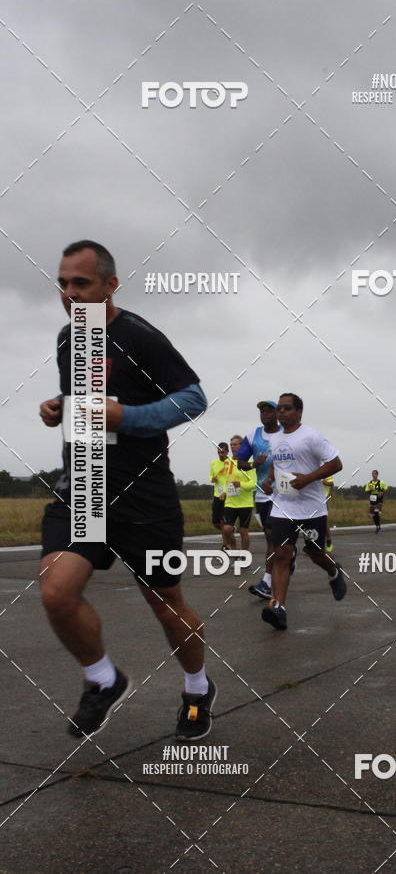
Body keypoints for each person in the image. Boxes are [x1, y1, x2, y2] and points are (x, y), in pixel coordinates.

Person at [38, 240, 215, 740]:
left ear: (111, 285)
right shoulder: (68, 340)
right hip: (86, 484)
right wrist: (57, 406)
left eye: (81, 283)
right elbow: (86, 399)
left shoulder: (140, 337)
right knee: (56, 591)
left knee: (165, 603)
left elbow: (192, 398)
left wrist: (131, 418)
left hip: (143, 494)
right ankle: (103, 679)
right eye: (63, 283)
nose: (69, 294)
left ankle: (197, 689)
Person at [260, 393, 345, 631]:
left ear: (299, 412)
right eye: (280, 409)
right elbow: (276, 465)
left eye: (287, 409)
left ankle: (333, 570)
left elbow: (336, 464)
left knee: (316, 554)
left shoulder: (311, 436)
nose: (282, 412)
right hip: (283, 506)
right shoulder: (275, 439)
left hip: (311, 509)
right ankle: (278, 607)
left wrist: (308, 479)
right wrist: (268, 481)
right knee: (281, 554)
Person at [236, 401, 282, 600]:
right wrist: (255, 463)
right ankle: (288, 557)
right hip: (263, 494)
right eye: (262, 411)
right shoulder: (252, 436)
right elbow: (240, 464)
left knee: (273, 536)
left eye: (269, 410)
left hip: (284, 494)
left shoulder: (287, 433)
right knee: (271, 538)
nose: (264, 413)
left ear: (277, 413)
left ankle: (267, 582)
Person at [221, 435, 257, 551]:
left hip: (245, 503)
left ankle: (245, 556)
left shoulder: (249, 463)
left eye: (235, 444)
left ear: (242, 447)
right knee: (226, 529)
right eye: (231, 445)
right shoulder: (228, 462)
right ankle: (235, 550)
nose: (232, 447)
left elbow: (253, 484)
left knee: (243, 531)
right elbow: (227, 481)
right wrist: (224, 492)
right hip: (230, 502)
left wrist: (240, 484)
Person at [209, 442, 229, 547]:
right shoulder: (213, 463)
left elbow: (231, 479)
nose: (221, 454)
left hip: (227, 495)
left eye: (223, 452)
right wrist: (213, 479)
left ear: (227, 452)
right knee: (216, 522)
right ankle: (229, 532)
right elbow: (211, 476)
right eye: (219, 452)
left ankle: (225, 544)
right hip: (217, 494)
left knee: (223, 522)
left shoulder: (231, 463)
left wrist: (225, 492)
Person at [323, 476, 334, 552]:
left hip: (323, 500)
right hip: (312, 500)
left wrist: (320, 481)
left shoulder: (326, 473)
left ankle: (329, 541)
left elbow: (331, 483)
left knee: (324, 521)